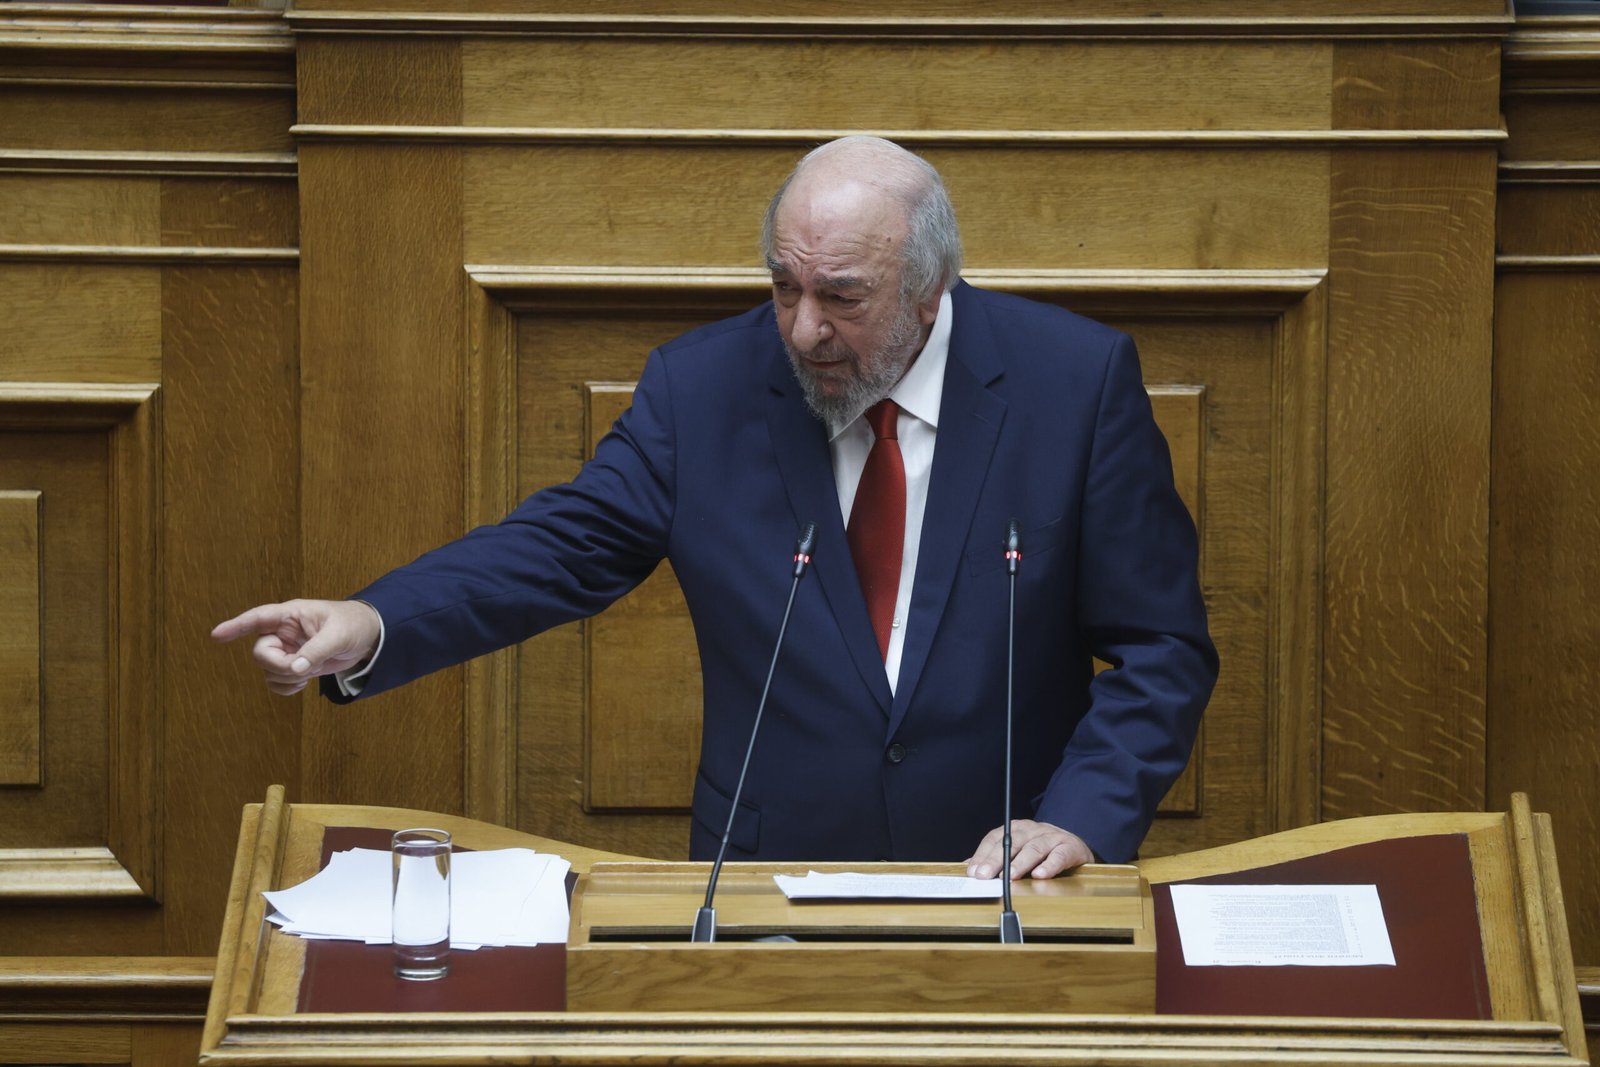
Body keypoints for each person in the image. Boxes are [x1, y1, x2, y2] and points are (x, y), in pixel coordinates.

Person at [214, 136, 1217, 880]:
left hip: (1008, 877)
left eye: (843, 296)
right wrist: (376, 620)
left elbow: (1161, 645)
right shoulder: (702, 388)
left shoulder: (1072, 384)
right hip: (764, 884)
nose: (804, 329)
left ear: (930, 289)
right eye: (783, 287)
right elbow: (561, 545)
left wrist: (1081, 818)